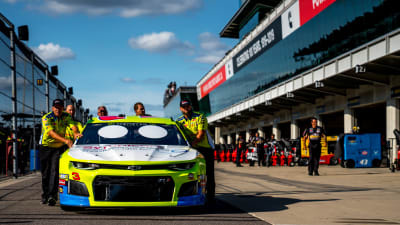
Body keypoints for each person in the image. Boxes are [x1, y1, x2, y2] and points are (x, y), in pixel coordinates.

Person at [39, 99, 82, 206]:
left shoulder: (66, 116)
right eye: (56, 107)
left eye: (60, 107)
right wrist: (66, 141)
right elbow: (51, 133)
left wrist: (76, 133)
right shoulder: (46, 118)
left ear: (63, 108)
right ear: (52, 108)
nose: (58, 109)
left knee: (54, 170)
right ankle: (45, 194)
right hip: (45, 146)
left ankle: (52, 196)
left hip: (58, 148)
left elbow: (73, 126)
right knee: (45, 173)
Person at [176, 99, 215, 203]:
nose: (186, 108)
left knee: (209, 174)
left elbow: (200, 135)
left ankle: (211, 198)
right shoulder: (178, 121)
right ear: (181, 108)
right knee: (192, 174)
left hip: (205, 149)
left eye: (188, 106)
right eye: (184, 107)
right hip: (189, 150)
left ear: (190, 106)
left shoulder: (200, 117)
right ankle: (193, 194)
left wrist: (190, 145)